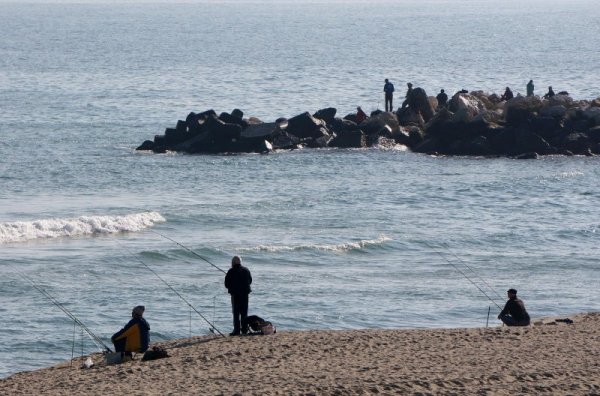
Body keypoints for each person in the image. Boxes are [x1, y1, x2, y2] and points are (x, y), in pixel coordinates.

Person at [224, 255, 252, 336]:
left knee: (236, 313)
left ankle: (236, 330)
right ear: (240, 262)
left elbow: (226, 284)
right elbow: (250, 281)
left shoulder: (230, 271)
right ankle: (244, 330)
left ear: (233, 262)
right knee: (244, 313)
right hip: (245, 295)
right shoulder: (246, 270)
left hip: (235, 295)